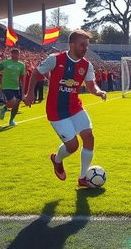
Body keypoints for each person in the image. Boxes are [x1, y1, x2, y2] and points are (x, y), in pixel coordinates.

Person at [23, 29, 106, 188]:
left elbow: (90, 85)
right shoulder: (55, 59)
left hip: (75, 107)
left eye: (87, 45)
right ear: (72, 44)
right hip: (56, 111)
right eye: (82, 45)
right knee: (73, 146)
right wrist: (30, 93)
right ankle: (57, 159)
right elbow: (36, 73)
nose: (85, 48)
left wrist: (98, 91)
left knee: (89, 136)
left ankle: (83, 178)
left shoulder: (86, 65)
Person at [0, 47, 26, 126]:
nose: (16, 55)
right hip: (6, 86)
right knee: (13, 101)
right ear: (11, 54)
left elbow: (22, 78)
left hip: (16, 87)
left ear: (19, 55)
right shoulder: (5, 62)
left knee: (16, 104)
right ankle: (4, 108)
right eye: (14, 53)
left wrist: (23, 92)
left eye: (17, 54)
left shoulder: (21, 65)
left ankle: (11, 120)